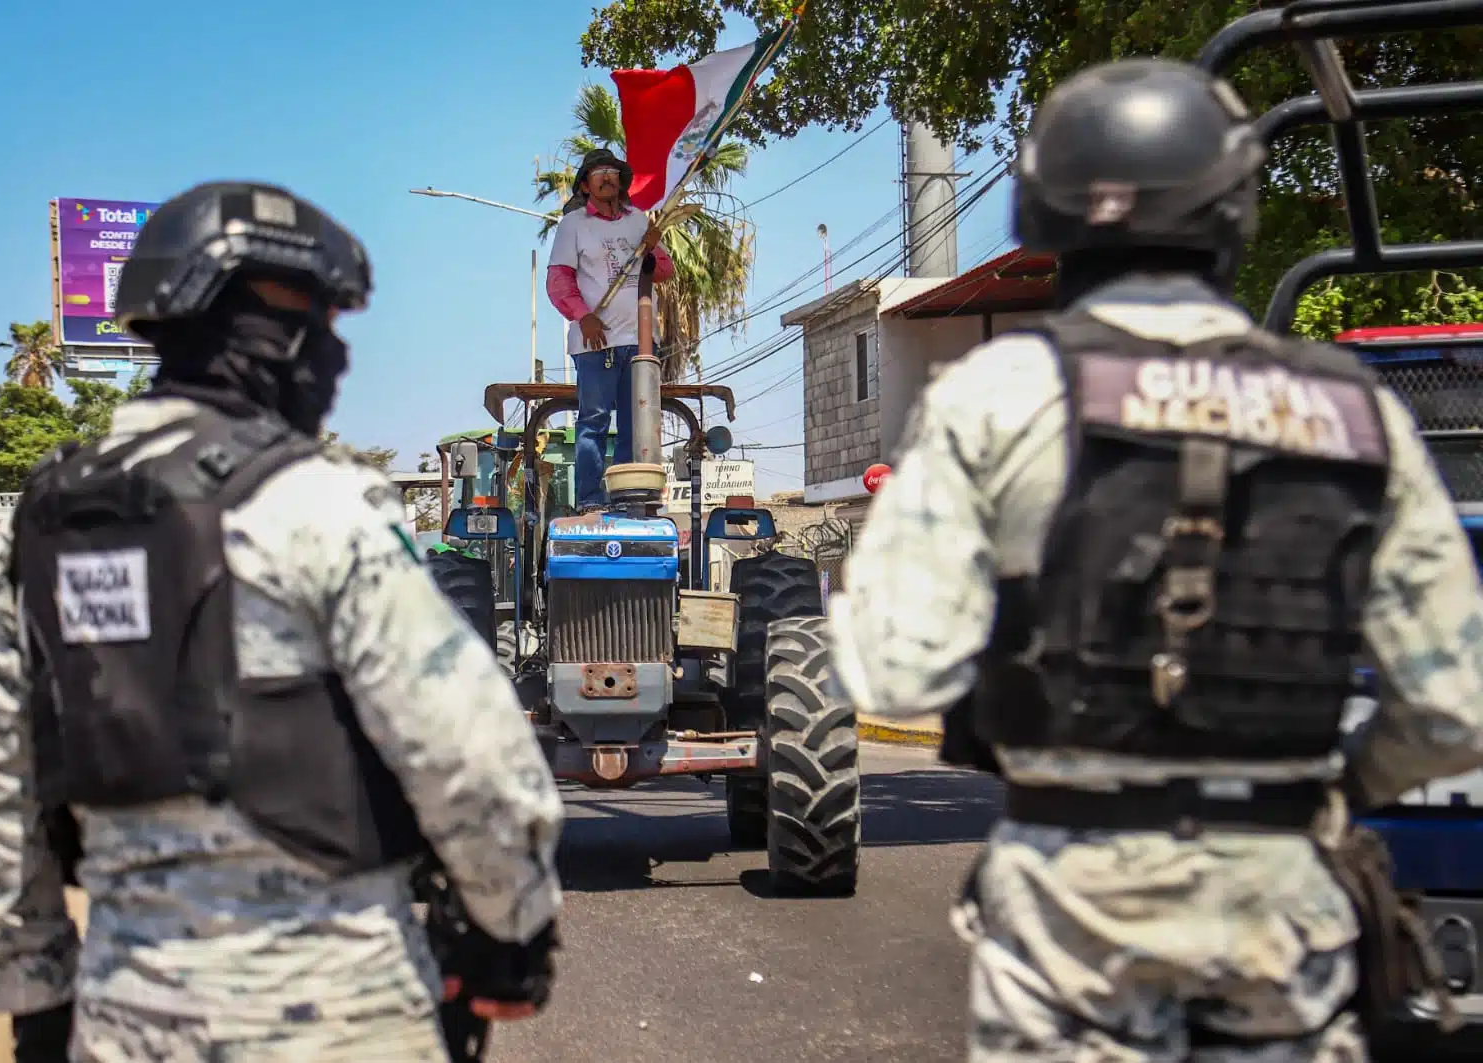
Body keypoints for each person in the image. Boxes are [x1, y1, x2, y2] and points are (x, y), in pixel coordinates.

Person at [825, 58, 1483, 1062]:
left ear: (1045, 213)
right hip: (1285, 910)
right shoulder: (1358, 413)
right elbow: (1454, 707)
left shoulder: (997, 394)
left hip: (1071, 915)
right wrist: (1333, 788)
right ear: (1229, 207)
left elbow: (888, 668)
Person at [0, 180, 565, 1062]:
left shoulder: (30, 531)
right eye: (322, 322)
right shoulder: (320, 509)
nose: (333, 353)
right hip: (346, 1019)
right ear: (261, 323)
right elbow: (479, 766)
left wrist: (38, 994)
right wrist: (509, 934)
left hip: (120, 1025)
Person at [546, 147, 674, 511]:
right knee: (594, 421)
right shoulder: (572, 225)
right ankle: (590, 501)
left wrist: (654, 250)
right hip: (595, 342)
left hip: (640, 341)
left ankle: (628, 500)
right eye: (598, 172)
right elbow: (558, 281)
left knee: (635, 426)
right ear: (585, 185)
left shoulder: (638, 221)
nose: (606, 178)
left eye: (612, 172)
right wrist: (582, 316)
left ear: (621, 181)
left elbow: (663, 271)